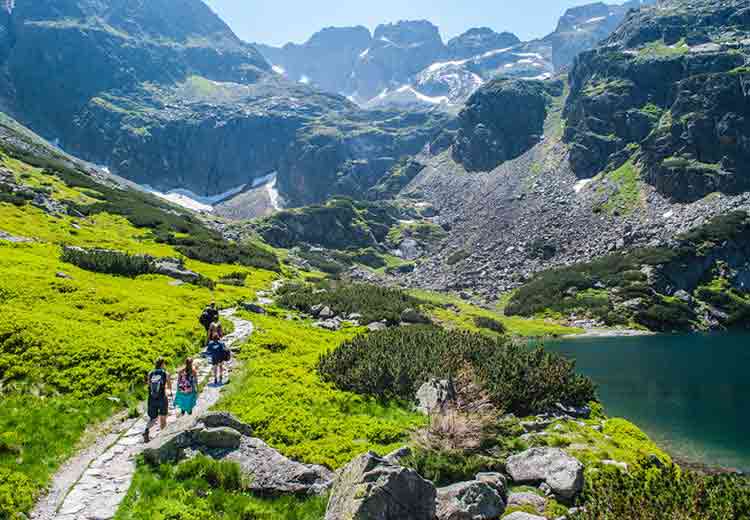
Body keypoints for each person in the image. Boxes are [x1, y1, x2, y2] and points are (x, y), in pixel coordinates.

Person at [144, 358, 171, 443]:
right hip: (162, 398)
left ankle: (146, 430)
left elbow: (149, 385)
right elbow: (169, 387)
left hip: (152, 398)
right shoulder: (165, 373)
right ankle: (162, 438)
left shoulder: (150, 373)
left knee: (153, 418)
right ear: (162, 364)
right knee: (163, 418)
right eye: (164, 363)